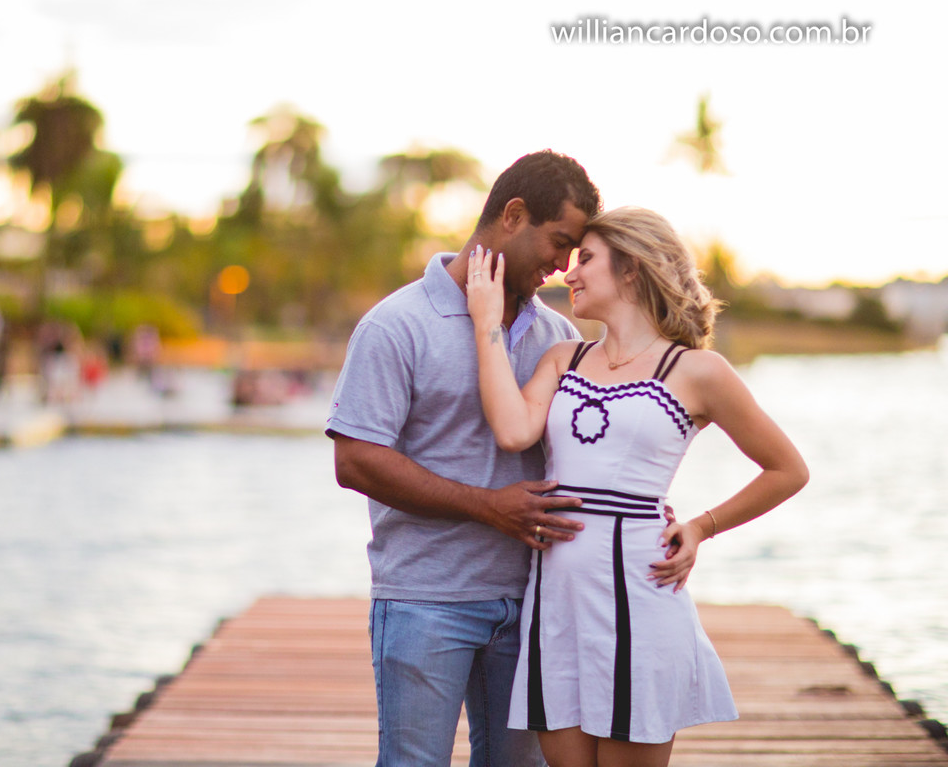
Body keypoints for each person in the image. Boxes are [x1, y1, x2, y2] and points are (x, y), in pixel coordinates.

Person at [465, 206, 809, 767]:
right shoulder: (563, 358)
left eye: (587, 260)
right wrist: (486, 326)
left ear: (631, 269)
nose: (569, 273)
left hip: (641, 602)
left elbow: (787, 469)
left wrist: (701, 526)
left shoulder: (698, 371)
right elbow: (511, 429)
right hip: (557, 606)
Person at [329, 150, 636, 766]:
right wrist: (486, 507)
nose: (562, 266)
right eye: (558, 243)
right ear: (513, 215)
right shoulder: (396, 326)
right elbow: (356, 460)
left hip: (533, 602)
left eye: (576, 254)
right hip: (424, 599)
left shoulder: (560, 341)